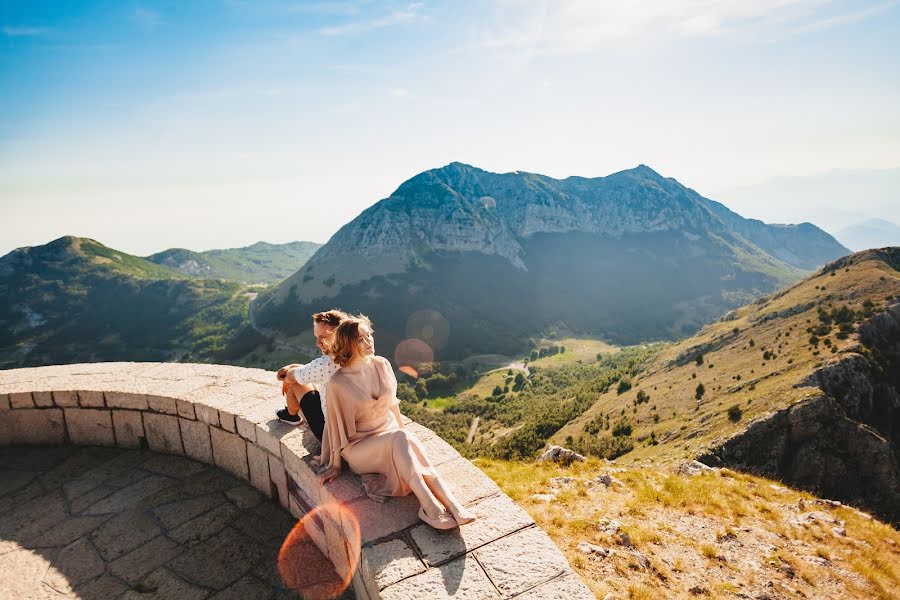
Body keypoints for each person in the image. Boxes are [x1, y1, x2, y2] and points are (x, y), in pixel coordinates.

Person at [315, 315, 476, 530]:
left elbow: (393, 405)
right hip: (360, 448)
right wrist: (335, 465)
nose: (369, 341)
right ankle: (431, 508)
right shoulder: (338, 383)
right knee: (401, 437)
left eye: (369, 335)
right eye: (361, 339)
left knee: (406, 438)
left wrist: (405, 437)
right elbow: (334, 426)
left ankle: (453, 506)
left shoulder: (382, 365)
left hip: (390, 436)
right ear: (348, 344)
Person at [275, 309, 350, 441]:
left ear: (339, 334)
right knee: (301, 376)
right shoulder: (357, 355)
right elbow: (308, 371)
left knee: (296, 383)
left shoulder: (326, 363)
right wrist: (295, 367)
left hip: (331, 434)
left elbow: (288, 376)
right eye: (317, 337)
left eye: (324, 337)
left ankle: (291, 415)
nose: (318, 343)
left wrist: (287, 377)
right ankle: (291, 414)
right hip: (353, 426)